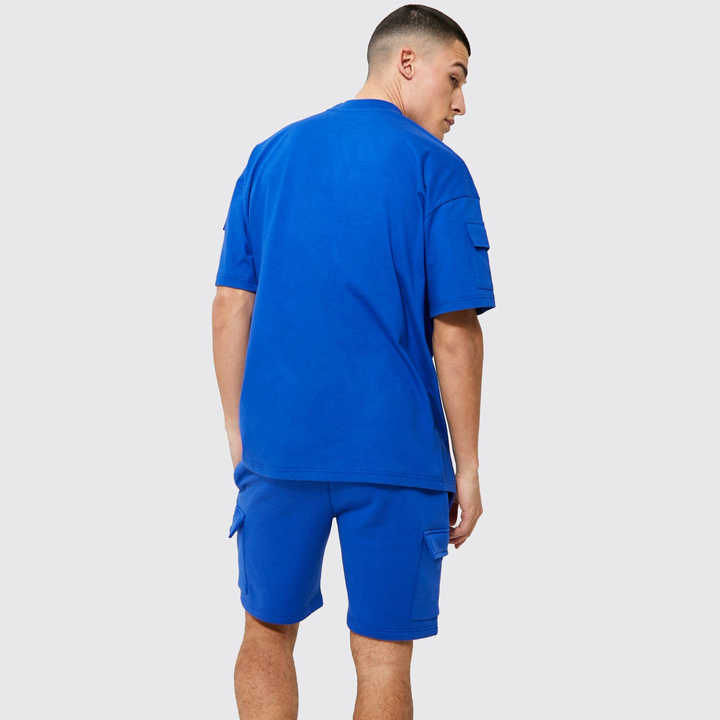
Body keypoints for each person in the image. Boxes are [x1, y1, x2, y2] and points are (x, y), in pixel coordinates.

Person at [211, 5, 496, 718]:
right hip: (396, 455)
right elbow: (455, 329)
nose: (461, 103)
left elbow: (230, 304)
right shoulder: (438, 169)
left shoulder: (271, 155)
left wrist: (240, 431)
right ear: (407, 62)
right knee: (382, 657)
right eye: (455, 77)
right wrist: (468, 465)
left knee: (266, 632)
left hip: (280, 450)